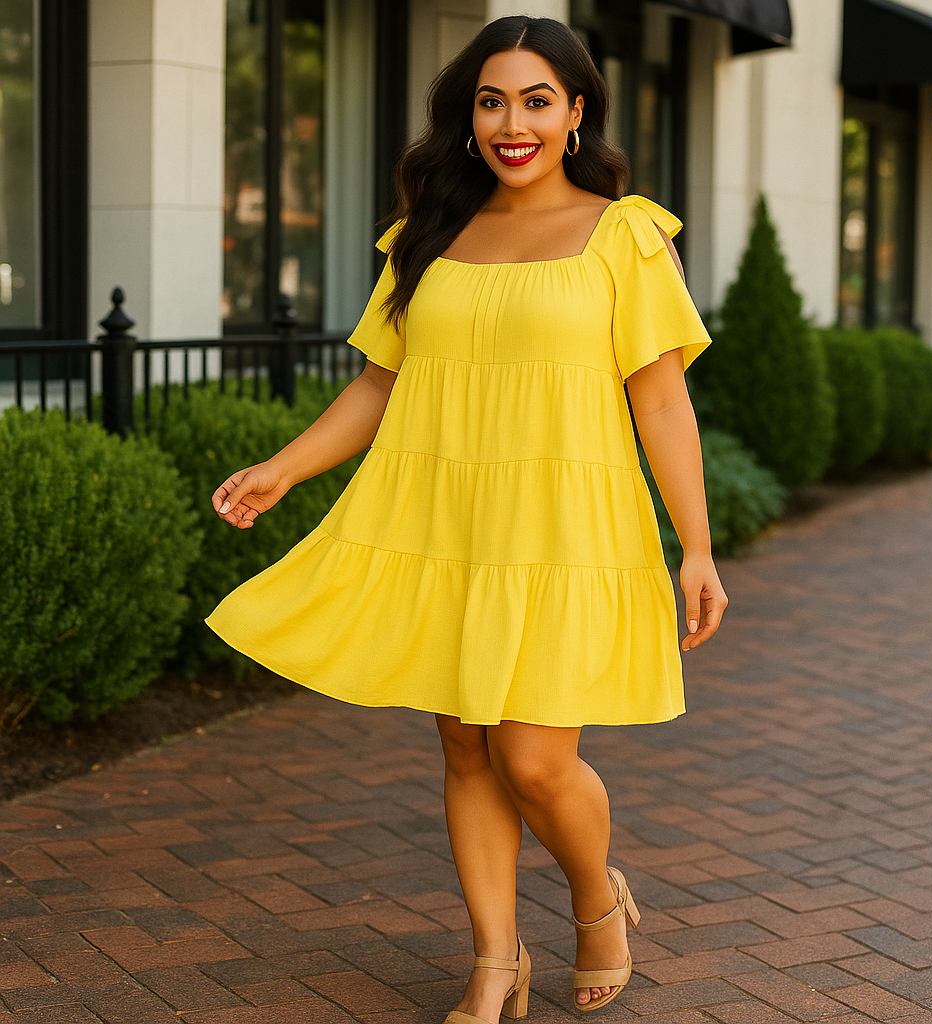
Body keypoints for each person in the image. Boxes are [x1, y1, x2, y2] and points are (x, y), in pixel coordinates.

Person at [207, 16, 727, 1022]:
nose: (511, 122)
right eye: (491, 101)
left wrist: (695, 544)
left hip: (568, 525)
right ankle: (494, 962)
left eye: (536, 100)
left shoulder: (623, 234)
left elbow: (660, 397)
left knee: (532, 757)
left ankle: (593, 893)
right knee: (461, 741)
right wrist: (284, 467)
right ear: (468, 114)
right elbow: (379, 384)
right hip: (445, 516)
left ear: (576, 113)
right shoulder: (430, 233)